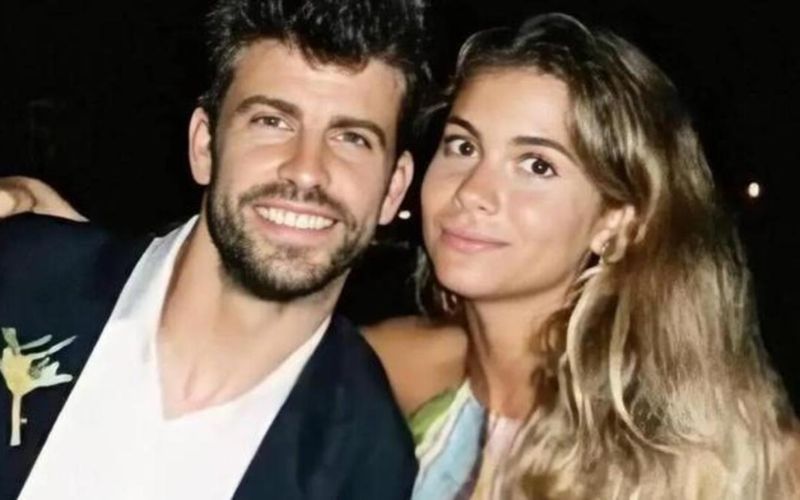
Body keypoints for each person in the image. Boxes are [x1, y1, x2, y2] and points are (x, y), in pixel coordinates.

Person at [5, 12, 799, 500]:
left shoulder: (726, 443)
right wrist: (73, 258)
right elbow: (231, 323)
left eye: (536, 164)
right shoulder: (399, 370)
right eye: (465, 145)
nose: (475, 191)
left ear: (617, 224)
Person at [0, 0, 429, 498]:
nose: (306, 170)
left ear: (394, 189)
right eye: (272, 121)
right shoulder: (22, 271)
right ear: (204, 145)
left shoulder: (366, 467)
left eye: (351, 138)